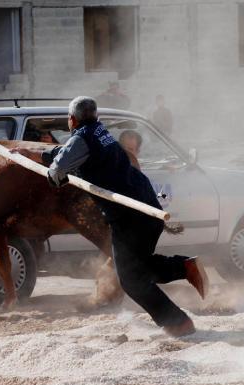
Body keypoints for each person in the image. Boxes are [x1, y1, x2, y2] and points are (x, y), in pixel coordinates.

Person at [11, 96, 209, 337]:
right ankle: (185, 266)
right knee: (139, 268)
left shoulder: (82, 139)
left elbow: (57, 172)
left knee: (130, 280)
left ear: (72, 119)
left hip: (131, 216)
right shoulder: (98, 132)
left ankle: (178, 322)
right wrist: (37, 154)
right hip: (145, 206)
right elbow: (65, 153)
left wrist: (48, 170)